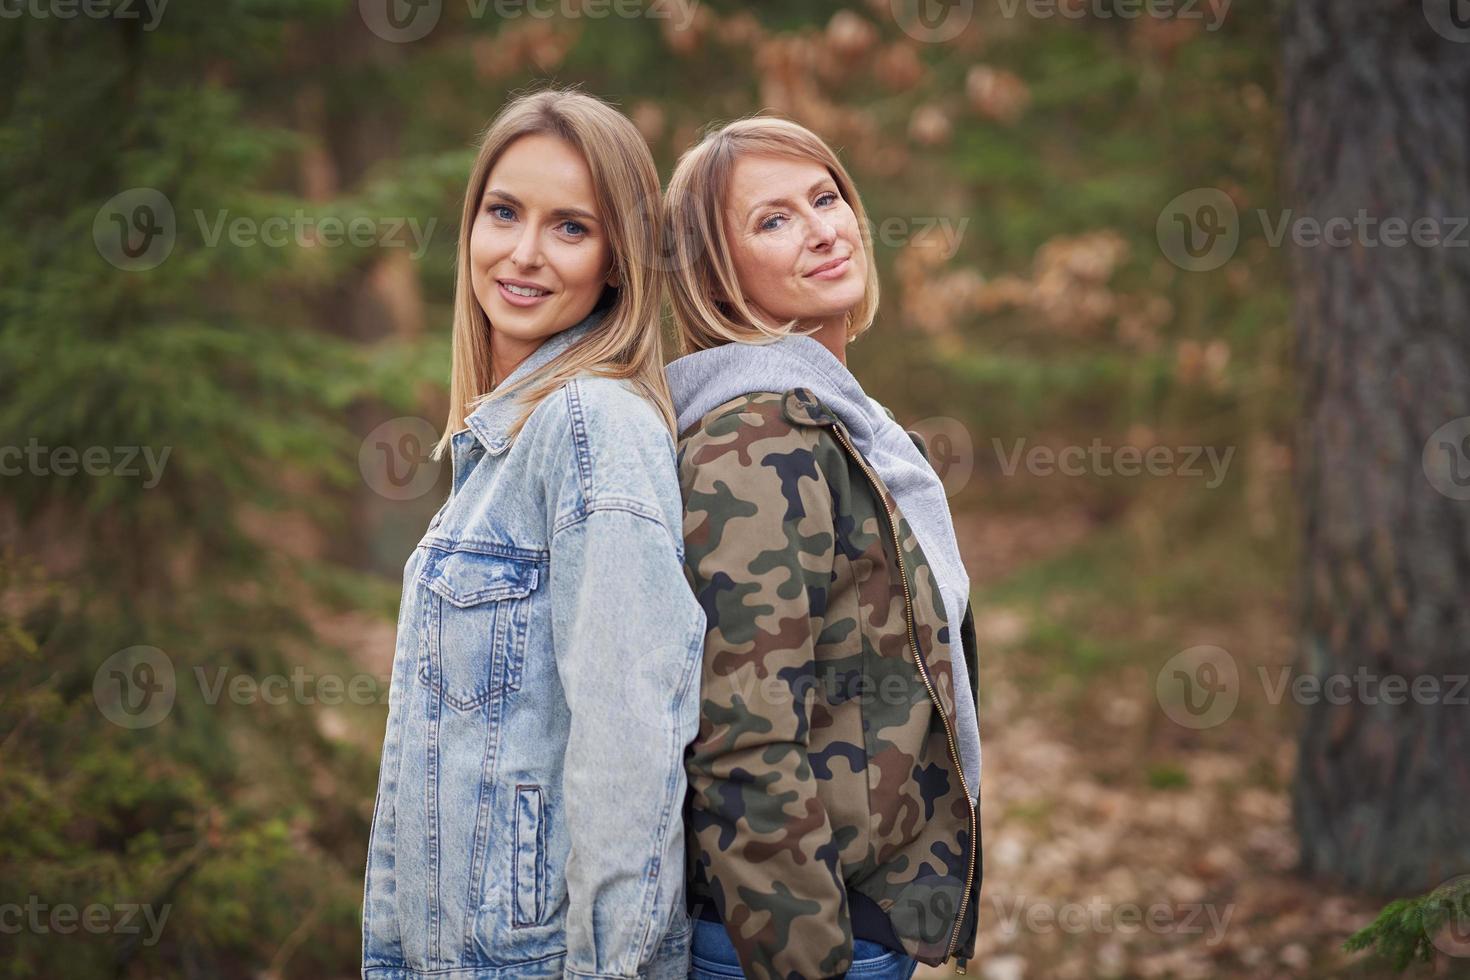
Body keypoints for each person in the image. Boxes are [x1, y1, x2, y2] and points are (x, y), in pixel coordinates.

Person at [362, 89, 705, 980]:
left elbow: (632, 740)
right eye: (504, 212)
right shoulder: (501, 443)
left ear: (618, 263)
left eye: (570, 228)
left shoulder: (594, 426)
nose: (522, 253)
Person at [663, 116, 984, 980]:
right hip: (794, 936)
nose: (823, 229)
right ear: (714, 273)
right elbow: (740, 739)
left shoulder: (840, 421)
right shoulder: (760, 441)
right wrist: (809, 959)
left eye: (826, 196)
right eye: (772, 220)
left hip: (848, 916)